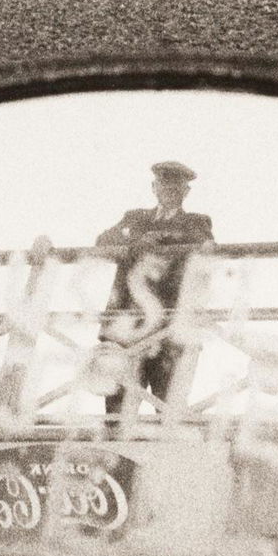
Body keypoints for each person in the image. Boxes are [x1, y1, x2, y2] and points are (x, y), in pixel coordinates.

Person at [94, 160, 213, 423]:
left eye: (175, 187)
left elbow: (205, 245)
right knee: (117, 412)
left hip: (167, 332)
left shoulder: (196, 222)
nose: (169, 190)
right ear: (154, 187)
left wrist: (154, 241)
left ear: (185, 193)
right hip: (124, 331)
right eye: (164, 185)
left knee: (168, 410)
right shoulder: (134, 218)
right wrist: (137, 243)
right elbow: (103, 243)